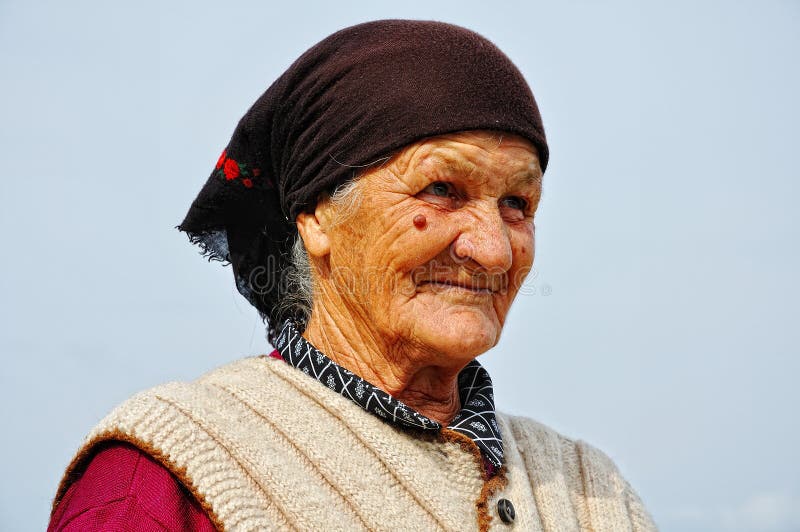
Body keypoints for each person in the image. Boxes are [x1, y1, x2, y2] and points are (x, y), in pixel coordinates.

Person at [48, 19, 657, 531]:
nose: (494, 250)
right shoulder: (162, 479)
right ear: (316, 218)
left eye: (517, 205)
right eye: (442, 189)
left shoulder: (592, 495)